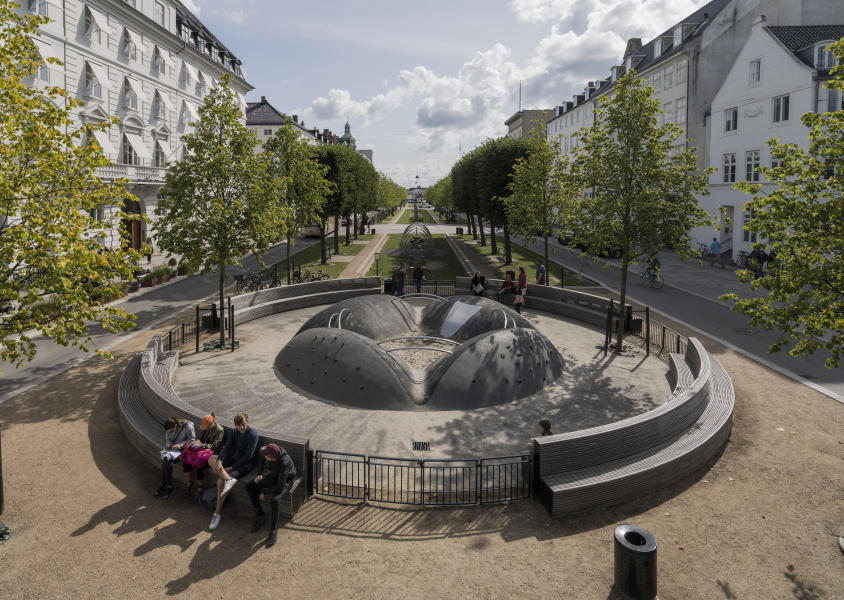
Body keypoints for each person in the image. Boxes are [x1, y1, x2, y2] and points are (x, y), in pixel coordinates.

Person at [206, 413, 259, 531]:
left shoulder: (253, 435)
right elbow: (227, 447)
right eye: (238, 425)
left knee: (221, 482)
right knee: (211, 459)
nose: (241, 428)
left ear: (247, 421)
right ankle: (229, 479)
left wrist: (231, 468)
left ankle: (217, 513)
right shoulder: (235, 432)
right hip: (233, 459)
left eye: (243, 424)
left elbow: (248, 457)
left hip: (244, 465)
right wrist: (220, 461)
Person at [246, 444, 297, 549]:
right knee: (250, 485)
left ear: (272, 457)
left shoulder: (284, 462)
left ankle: (273, 530)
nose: (264, 457)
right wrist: (260, 475)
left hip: (286, 480)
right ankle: (260, 514)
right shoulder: (272, 453)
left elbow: (279, 487)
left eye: (266, 456)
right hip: (273, 475)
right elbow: (265, 466)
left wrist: (264, 491)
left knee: (275, 499)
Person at [186, 413, 226, 498]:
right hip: (203, 451)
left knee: (198, 464)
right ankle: (189, 483)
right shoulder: (207, 428)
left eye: (207, 427)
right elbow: (200, 438)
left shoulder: (220, 430)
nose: (206, 429)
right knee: (187, 456)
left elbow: (215, 446)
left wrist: (201, 445)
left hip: (212, 454)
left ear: (211, 424)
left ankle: (200, 488)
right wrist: (196, 442)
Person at [155, 417, 195, 500]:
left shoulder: (188, 427)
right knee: (166, 461)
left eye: (171, 430)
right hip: (173, 450)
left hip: (184, 450)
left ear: (176, 426)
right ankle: (167, 485)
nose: (170, 432)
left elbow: (192, 440)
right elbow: (168, 439)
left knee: (166, 462)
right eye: (169, 431)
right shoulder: (169, 429)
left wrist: (180, 445)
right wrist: (169, 445)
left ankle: (165, 485)